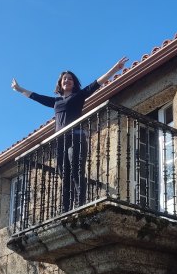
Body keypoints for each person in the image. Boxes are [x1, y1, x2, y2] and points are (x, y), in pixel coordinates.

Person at [12, 57, 128, 212]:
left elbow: (96, 84)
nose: (67, 80)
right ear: (60, 83)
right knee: (64, 174)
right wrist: (19, 89)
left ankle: (79, 205)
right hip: (60, 141)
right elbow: (36, 97)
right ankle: (65, 209)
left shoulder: (78, 96)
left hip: (76, 137)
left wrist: (115, 69)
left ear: (74, 83)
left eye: (70, 79)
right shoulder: (56, 101)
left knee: (76, 170)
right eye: (65, 78)